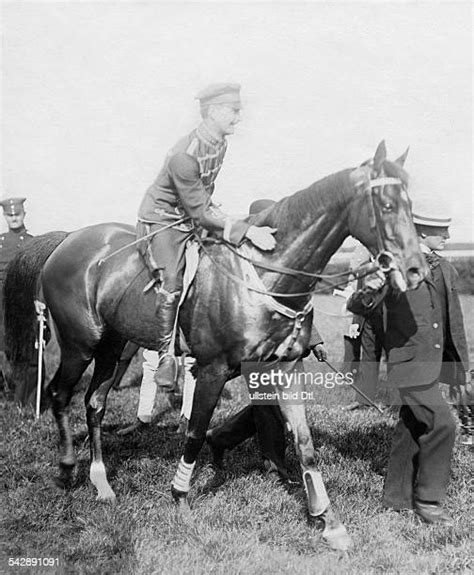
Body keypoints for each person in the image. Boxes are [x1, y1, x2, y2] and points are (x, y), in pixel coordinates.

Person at [136, 83, 276, 391]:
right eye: (234, 111)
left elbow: (203, 196)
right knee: (173, 277)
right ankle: (165, 355)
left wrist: (218, 216)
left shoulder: (219, 143)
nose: (239, 118)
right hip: (163, 220)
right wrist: (247, 229)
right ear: (212, 112)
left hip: (190, 213)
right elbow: (199, 212)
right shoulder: (184, 155)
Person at [347, 209, 470, 525]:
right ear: (423, 232)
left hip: (431, 363)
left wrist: (459, 370)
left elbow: (452, 321)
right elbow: (359, 306)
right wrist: (370, 284)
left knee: (412, 426)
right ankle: (428, 502)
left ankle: (396, 498)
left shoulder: (443, 267)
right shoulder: (391, 265)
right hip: (407, 365)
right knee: (443, 424)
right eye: (441, 231)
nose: (447, 237)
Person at [0, 197, 37, 406]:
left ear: (23, 214)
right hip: (1, 302)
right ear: (5, 217)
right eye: (9, 215)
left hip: (23, 300)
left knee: (29, 350)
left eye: (17, 214)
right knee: (8, 348)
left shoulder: (32, 242)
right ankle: (9, 390)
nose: (13, 218)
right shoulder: (0, 241)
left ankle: (28, 400)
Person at [343, 244, 385, 411]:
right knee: (368, 359)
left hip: (393, 323)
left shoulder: (395, 268)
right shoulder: (364, 270)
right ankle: (364, 401)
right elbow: (359, 299)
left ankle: (400, 404)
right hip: (369, 322)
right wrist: (355, 323)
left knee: (396, 361)